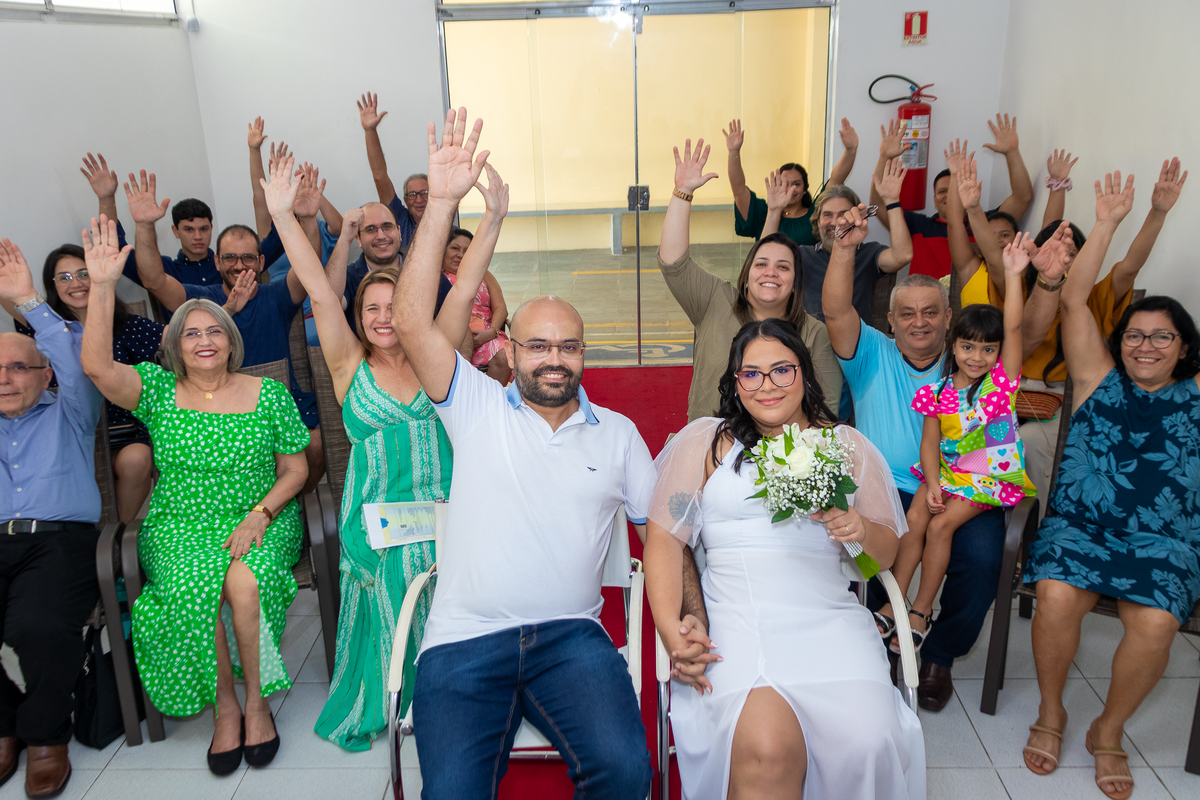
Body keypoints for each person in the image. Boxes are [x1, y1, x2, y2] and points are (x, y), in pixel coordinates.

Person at [393, 109, 655, 799]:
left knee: (627, 773)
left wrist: (688, 614)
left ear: (583, 354)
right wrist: (444, 204)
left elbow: (662, 530)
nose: (554, 359)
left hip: (570, 640)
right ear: (509, 347)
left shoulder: (619, 433)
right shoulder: (473, 405)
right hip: (462, 645)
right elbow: (413, 322)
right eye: (538, 345)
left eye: (568, 346)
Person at [259, 150, 502, 749]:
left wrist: (492, 218)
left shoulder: (438, 349)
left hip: (447, 505)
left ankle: (452, 696)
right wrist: (284, 218)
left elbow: (467, 280)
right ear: (359, 317)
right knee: (398, 572)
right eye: (372, 307)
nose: (385, 316)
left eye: (396, 306)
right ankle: (401, 697)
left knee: (449, 573)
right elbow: (318, 287)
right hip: (377, 515)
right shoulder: (347, 364)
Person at [645, 318, 923, 799]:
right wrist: (673, 628)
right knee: (767, 752)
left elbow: (878, 561)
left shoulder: (846, 446)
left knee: (868, 741)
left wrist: (855, 531)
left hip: (829, 619)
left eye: (781, 370)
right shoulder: (706, 443)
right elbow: (666, 539)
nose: (767, 385)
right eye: (751, 374)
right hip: (739, 618)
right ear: (736, 382)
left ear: (804, 373)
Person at [79, 216, 309, 774]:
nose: (204, 340)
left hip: (262, 515)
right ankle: (225, 707)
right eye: (191, 333)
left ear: (230, 342)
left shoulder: (269, 393)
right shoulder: (156, 391)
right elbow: (95, 365)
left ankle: (257, 703)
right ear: (175, 346)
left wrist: (261, 515)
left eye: (214, 332)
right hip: (179, 521)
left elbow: (296, 471)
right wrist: (105, 285)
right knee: (198, 582)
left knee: (245, 580)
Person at [820, 201, 1066, 711]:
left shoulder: (975, 362)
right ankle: (877, 642)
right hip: (889, 487)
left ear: (949, 317)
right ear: (889, 320)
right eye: (906, 313)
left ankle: (938, 653)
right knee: (856, 550)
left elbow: (1025, 334)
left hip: (970, 488)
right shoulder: (872, 353)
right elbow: (837, 311)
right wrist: (844, 250)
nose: (919, 322)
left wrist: (1043, 281)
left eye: (931, 312)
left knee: (978, 559)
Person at [1021, 167, 1191, 800]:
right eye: (1137, 335)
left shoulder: (1195, 395)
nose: (1146, 345)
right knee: (1058, 593)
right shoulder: (1097, 377)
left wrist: (1155, 215)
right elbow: (1073, 297)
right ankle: (1051, 711)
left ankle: (1110, 729)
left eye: (1162, 337)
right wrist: (1112, 221)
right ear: (1121, 342)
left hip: (1162, 539)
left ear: (1183, 347)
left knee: (1155, 622)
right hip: (1081, 527)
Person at [985, 157, 1187, 502]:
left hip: (1065, 402)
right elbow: (1022, 337)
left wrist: (1157, 213)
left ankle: (1048, 516)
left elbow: (1130, 266)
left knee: (1035, 441)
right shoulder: (1021, 292)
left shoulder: (1094, 297)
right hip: (1012, 396)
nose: (1064, 260)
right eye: (1056, 252)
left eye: (1073, 253)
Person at [876, 234, 1037, 651]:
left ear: (999, 354)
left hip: (988, 476)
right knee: (915, 519)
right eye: (968, 347)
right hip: (947, 473)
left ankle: (921, 611)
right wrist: (931, 484)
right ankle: (895, 603)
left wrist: (1016, 276)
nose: (977, 357)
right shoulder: (939, 391)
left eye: (988, 349)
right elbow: (929, 445)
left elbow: (1015, 325)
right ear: (954, 343)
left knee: (942, 525)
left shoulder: (1000, 385)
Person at [124, 168, 326, 493]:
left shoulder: (277, 294)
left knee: (315, 445)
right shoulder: (198, 300)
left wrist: (307, 219)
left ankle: (290, 503)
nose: (238, 265)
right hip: (217, 404)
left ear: (261, 262)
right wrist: (145, 226)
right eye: (230, 257)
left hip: (280, 403)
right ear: (217, 262)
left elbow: (310, 269)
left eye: (247, 257)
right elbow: (154, 280)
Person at [0, 238, 104, 799]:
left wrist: (28, 302)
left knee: (33, 627)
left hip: (59, 542)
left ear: (45, 375)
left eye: (19, 367)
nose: (6, 377)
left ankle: (44, 736)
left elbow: (70, 353)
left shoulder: (71, 409)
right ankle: (3, 726)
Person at [657, 137, 841, 420]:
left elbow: (824, 413)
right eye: (761, 265)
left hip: (780, 454)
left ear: (795, 283)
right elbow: (673, 262)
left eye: (783, 267)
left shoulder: (814, 333)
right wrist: (682, 192)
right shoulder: (716, 300)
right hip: (707, 446)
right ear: (745, 277)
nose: (771, 272)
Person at [1, 245, 162, 522]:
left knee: (136, 460)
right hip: (61, 431)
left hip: (120, 428)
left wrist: (223, 315)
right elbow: (15, 297)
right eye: (64, 277)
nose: (74, 283)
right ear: (52, 285)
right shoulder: (43, 326)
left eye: (83, 274)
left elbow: (178, 337)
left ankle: (116, 534)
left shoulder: (127, 324)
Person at [872, 114, 1034, 279]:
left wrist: (1012, 153)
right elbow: (877, 206)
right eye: (943, 191)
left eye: (956, 188)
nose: (949, 196)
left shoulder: (986, 223)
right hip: (924, 301)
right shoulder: (918, 225)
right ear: (934, 199)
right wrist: (884, 157)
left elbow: (1023, 198)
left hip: (973, 300)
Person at [955, 148, 1078, 307]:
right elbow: (993, 256)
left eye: (1005, 234)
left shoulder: (1038, 265)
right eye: (991, 235)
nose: (998, 240)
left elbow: (1051, 232)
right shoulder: (1007, 274)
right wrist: (973, 208)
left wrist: (1058, 184)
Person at [798, 160, 913, 326]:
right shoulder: (803, 254)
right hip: (811, 345)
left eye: (843, 214)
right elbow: (764, 260)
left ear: (857, 218)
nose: (836, 222)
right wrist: (774, 210)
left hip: (857, 344)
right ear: (817, 221)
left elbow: (903, 255)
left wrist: (892, 201)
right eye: (827, 215)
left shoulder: (869, 253)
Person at [80, 152, 220, 288]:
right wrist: (106, 199)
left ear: (211, 228)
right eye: (189, 229)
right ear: (175, 231)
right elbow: (115, 247)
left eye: (203, 229)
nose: (198, 236)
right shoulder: (159, 268)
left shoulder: (229, 264)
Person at [724, 117, 858, 245]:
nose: (790, 189)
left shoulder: (816, 214)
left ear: (805, 188)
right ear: (776, 185)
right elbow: (738, 189)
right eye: (784, 184)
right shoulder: (762, 213)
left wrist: (850, 151)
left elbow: (836, 178)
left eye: (796, 184)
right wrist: (733, 152)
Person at [441, 227, 512, 384]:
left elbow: (501, 308)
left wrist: (492, 332)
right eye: (455, 248)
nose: (460, 254)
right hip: (451, 337)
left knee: (504, 355)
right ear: (443, 250)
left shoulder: (483, 273)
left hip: (486, 334)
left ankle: (490, 404)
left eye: (467, 250)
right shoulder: (436, 276)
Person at [358, 91, 427, 248]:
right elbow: (380, 177)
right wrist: (370, 131)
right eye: (412, 195)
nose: (419, 200)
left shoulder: (447, 226)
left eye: (424, 193)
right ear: (405, 200)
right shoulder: (399, 218)